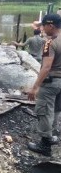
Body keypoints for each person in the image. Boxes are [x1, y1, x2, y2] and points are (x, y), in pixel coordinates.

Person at [27, 13, 61, 156]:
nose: (42, 29)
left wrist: (35, 88)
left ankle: (45, 145)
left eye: (43, 26)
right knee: (56, 110)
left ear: (51, 25)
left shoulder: (50, 43)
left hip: (51, 82)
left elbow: (46, 67)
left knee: (44, 111)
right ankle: (52, 136)